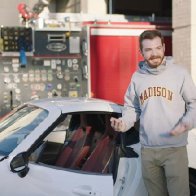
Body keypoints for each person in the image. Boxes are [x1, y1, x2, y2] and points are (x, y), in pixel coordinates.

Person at [110, 29, 196, 196]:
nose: (154, 53)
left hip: (174, 149)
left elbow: (194, 104)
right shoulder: (137, 78)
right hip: (148, 151)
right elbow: (132, 108)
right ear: (141, 52)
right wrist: (123, 123)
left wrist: (186, 123)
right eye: (148, 50)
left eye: (158, 48)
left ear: (164, 47)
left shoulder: (180, 74)